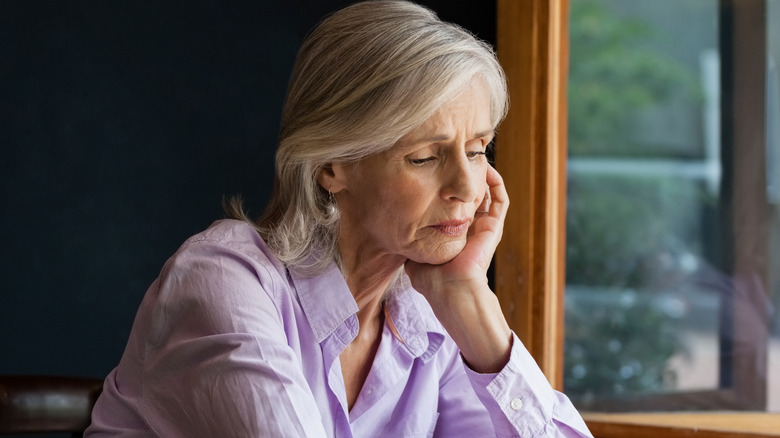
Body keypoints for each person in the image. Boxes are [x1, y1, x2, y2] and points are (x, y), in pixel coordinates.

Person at [85, 1, 593, 437]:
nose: (467, 187)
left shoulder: (428, 315)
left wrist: (470, 300)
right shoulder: (221, 280)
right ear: (332, 165)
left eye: (479, 149)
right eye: (424, 157)